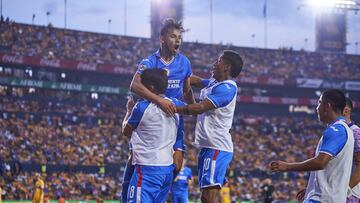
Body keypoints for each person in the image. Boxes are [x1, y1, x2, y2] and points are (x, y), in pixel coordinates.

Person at [121, 18, 194, 203]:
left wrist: (193, 109)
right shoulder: (150, 61)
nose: (177, 40)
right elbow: (134, 85)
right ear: (162, 38)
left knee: (177, 163)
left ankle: (160, 195)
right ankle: (129, 194)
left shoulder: (184, 62)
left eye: (179, 37)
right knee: (136, 158)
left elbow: (187, 89)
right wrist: (159, 100)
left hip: (174, 117)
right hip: (151, 115)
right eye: (173, 36)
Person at [176, 50, 244, 203]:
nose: (214, 64)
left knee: (208, 197)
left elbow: (200, 107)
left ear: (226, 67)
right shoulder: (214, 83)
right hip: (209, 146)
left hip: (217, 147)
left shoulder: (227, 88)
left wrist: (173, 107)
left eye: (218, 61)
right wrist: (178, 75)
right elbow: (196, 80)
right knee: (205, 196)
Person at [270, 89, 354, 203]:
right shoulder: (345, 130)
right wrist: (312, 188)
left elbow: (320, 162)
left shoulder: (336, 130)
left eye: (319, 103)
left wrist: (287, 167)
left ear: (327, 106)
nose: (316, 108)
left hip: (323, 199)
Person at [122, 68, 185, 203]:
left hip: (146, 169)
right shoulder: (177, 105)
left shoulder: (141, 107)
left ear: (150, 87)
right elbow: (179, 137)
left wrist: (128, 111)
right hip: (167, 169)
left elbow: (126, 132)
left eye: (142, 86)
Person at [344, 98, 360, 203]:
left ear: (346, 110)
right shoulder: (335, 131)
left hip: (349, 194)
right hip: (334, 191)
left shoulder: (356, 132)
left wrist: (346, 190)